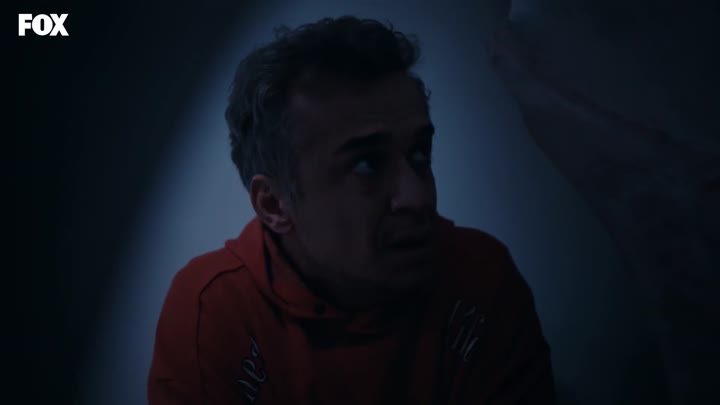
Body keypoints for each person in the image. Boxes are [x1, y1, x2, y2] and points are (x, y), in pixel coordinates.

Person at [148, 15, 555, 405]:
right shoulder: (216, 310)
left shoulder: (480, 277)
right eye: (366, 165)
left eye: (419, 153)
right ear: (273, 204)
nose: (417, 197)